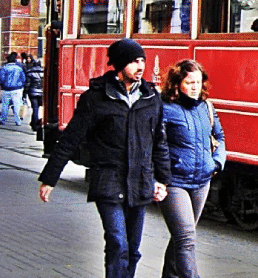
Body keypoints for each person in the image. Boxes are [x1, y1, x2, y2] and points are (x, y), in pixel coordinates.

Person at [38, 38, 171, 278]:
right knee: (117, 242)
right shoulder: (96, 98)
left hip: (140, 181)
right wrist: (50, 178)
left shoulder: (151, 97)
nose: (140, 66)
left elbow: (159, 142)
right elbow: (71, 138)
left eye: (142, 60)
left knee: (133, 248)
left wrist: (162, 179)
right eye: (133, 61)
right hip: (108, 179)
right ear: (119, 65)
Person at [159, 59, 226, 278]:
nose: (195, 87)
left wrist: (216, 162)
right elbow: (154, 144)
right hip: (174, 182)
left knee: (181, 237)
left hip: (201, 181)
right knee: (186, 238)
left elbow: (220, 137)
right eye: (190, 82)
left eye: (198, 82)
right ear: (177, 84)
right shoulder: (165, 109)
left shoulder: (206, 106)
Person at [0, 52, 26, 125]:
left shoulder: (4, 68)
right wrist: (20, 86)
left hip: (6, 89)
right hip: (17, 89)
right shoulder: (19, 68)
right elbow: (23, 79)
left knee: (5, 106)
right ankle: (18, 121)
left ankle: (3, 119)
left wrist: (3, 86)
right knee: (17, 106)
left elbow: (1, 79)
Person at [24, 55, 44, 131]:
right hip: (41, 92)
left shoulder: (30, 72)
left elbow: (27, 84)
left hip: (32, 92)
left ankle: (35, 124)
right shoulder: (43, 72)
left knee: (35, 109)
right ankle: (35, 122)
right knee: (40, 108)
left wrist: (25, 92)